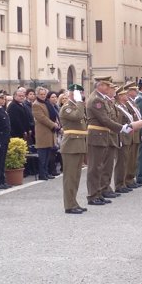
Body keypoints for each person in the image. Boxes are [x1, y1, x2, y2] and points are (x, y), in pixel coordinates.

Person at [85, 77, 126, 206]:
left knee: (99, 167)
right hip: (97, 136)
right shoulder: (96, 100)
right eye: (107, 85)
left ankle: (98, 193)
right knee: (94, 168)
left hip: (102, 135)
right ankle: (92, 195)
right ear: (101, 85)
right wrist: (121, 128)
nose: (109, 88)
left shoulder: (101, 98)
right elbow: (104, 119)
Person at [59, 85, 87, 214]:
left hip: (78, 144)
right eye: (78, 93)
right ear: (71, 94)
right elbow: (78, 116)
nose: (81, 95)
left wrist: (80, 102)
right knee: (70, 177)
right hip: (70, 145)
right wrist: (80, 102)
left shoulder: (76, 106)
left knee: (76, 177)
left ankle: (74, 202)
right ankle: (69, 205)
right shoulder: (67, 108)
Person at [32, 87, 58, 181]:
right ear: (37, 95)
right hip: (42, 132)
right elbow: (42, 118)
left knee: (48, 154)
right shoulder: (36, 104)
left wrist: (56, 122)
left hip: (49, 132)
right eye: (41, 94)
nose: (43, 96)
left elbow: (52, 114)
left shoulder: (46, 103)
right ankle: (42, 174)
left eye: (44, 94)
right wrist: (53, 124)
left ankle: (46, 172)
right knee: (42, 155)